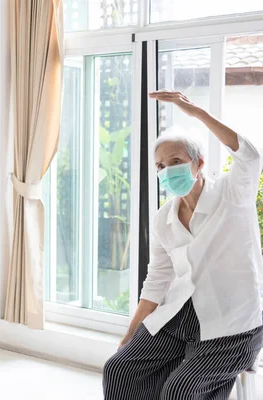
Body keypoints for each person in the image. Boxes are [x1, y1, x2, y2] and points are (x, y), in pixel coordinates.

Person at [102, 90, 263, 399]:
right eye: (160, 166)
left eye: (175, 161)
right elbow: (157, 281)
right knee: (118, 369)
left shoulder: (233, 195)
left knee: (181, 390)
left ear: (199, 162)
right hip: (180, 315)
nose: (166, 170)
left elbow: (250, 156)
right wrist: (130, 332)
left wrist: (197, 113)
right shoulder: (165, 218)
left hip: (234, 323)